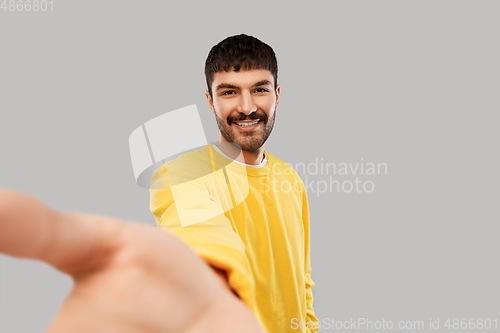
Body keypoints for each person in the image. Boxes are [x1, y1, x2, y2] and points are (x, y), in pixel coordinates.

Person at [149, 34, 319, 333]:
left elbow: (300, 277)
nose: (247, 107)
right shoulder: (182, 174)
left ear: (277, 94)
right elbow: (198, 235)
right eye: (229, 92)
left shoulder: (289, 177)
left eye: (260, 89)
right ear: (209, 101)